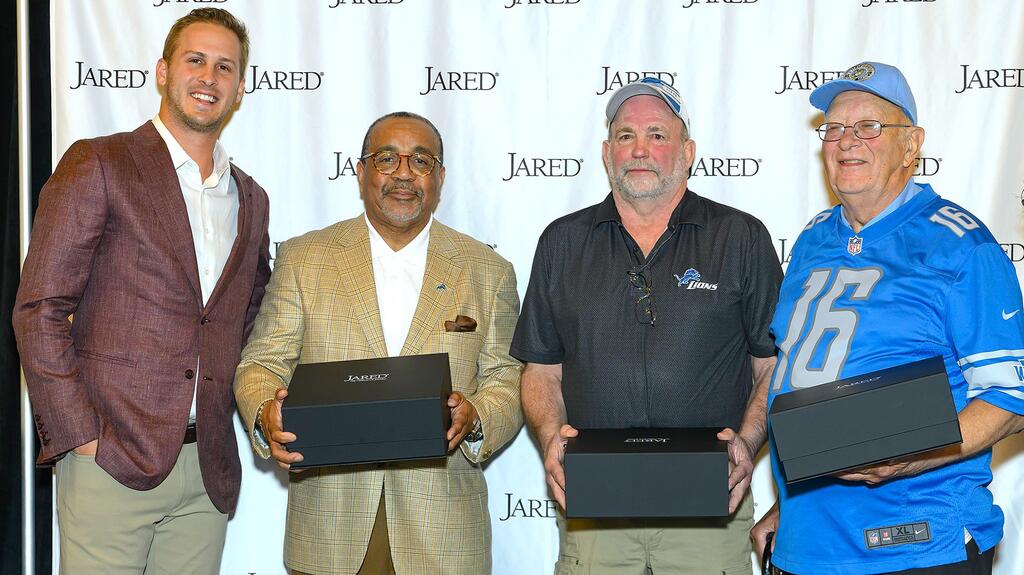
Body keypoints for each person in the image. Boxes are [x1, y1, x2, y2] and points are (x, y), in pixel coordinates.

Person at [13, 8, 270, 574]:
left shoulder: (251, 198)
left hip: (207, 471)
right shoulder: (100, 163)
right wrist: (82, 436)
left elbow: (251, 319)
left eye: (225, 67)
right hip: (111, 459)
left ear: (240, 89)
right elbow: (40, 309)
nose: (209, 77)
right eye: (195, 60)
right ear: (162, 71)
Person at [752, 61, 1024, 575]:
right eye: (834, 129)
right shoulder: (812, 240)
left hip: (914, 545)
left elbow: (1011, 398)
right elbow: (808, 379)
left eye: (870, 126)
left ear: (912, 144)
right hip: (809, 547)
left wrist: (908, 458)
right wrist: (786, 506)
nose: (847, 141)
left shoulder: (960, 245)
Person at [511, 77, 783, 574]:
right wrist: (551, 435)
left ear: (688, 150)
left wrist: (746, 442)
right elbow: (540, 370)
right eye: (625, 135)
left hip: (710, 504)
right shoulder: (562, 243)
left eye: (657, 134)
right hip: (594, 504)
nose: (640, 149)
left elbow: (771, 367)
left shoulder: (740, 237)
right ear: (606, 151)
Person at [234, 111, 522, 574]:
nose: (403, 173)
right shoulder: (304, 258)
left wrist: (478, 416)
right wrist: (266, 411)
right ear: (361, 171)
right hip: (330, 530)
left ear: (440, 177)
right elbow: (261, 364)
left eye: (421, 161)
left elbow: (507, 379)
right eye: (386, 159)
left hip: (444, 533)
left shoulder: (487, 271)